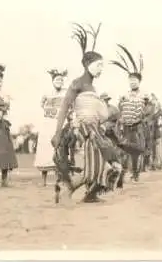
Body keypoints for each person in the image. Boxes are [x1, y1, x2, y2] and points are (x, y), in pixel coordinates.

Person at [52, 23, 121, 202]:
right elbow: (64, 108)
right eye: (98, 65)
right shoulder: (77, 83)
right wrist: (58, 133)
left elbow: (98, 113)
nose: (101, 69)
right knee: (96, 166)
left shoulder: (93, 87)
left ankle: (88, 194)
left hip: (96, 130)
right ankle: (70, 188)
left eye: (102, 66)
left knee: (113, 164)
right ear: (88, 64)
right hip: (84, 131)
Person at [112, 44, 148, 182]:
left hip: (138, 126)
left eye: (135, 81)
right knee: (124, 149)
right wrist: (121, 120)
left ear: (139, 82)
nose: (132, 83)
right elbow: (119, 109)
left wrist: (143, 116)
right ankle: (122, 173)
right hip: (126, 126)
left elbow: (150, 110)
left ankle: (136, 173)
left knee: (137, 150)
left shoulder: (145, 95)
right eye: (130, 81)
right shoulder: (124, 95)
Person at [33, 68, 68, 186]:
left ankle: (60, 178)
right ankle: (44, 180)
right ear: (52, 81)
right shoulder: (47, 92)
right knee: (46, 149)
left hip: (61, 123)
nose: (59, 81)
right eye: (57, 79)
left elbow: (70, 105)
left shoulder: (66, 92)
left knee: (60, 149)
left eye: (61, 80)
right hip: (48, 122)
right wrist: (50, 111)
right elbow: (41, 104)